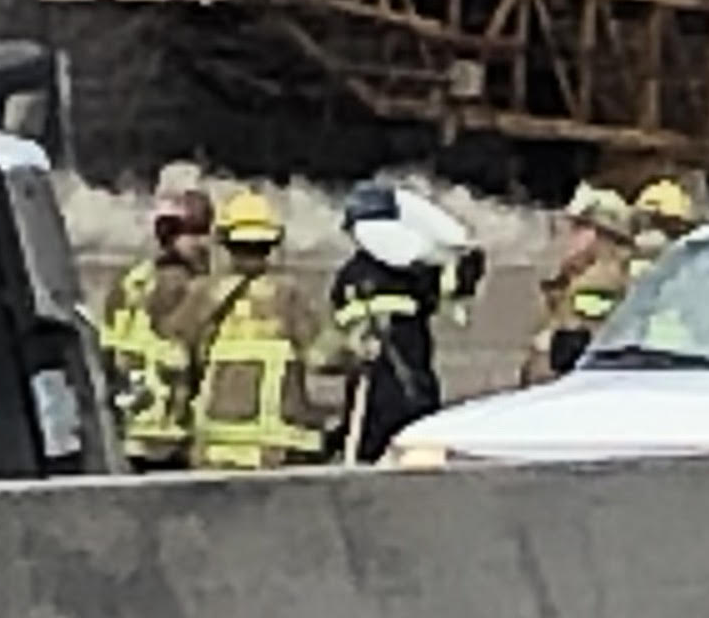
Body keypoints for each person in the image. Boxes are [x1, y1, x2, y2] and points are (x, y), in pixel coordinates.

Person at [184, 193, 349, 471]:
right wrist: (356, 352)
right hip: (276, 448)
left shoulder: (202, 294)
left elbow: (178, 355)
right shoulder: (288, 296)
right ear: (272, 243)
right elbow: (323, 358)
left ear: (225, 242)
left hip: (217, 445)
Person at [330, 177, 487, 464]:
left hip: (378, 394)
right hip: (403, 389)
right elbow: (456, 289)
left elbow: (334, 346)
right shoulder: (415, 274)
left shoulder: (350, 277)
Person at [101, 183, 217, 471]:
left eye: (205, 231)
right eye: (195, 232)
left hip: (132, 427)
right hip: (172, 430)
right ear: (171, 235)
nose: (204, 243)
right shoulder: (188, 287)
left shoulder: (131, 280)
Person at [539, 183, 639, 380]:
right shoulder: (576, 279)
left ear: (598, 236)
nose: (568, 237)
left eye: (577, 228)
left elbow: (565, 352)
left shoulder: (599, 284)